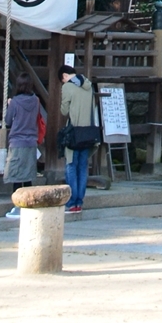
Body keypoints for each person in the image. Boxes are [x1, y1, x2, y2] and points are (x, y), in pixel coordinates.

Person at [57, 61, 97, 215]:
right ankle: (79, 202)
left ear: (65, 76)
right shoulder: (88, 85)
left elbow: (64, 110)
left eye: (62, 79)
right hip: (87, 133)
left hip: (73, 132)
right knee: (82, 167)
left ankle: (71, 202)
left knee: (71, 166)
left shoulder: (67, 86)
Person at [3, 73, 43, 219]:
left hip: (18, 140)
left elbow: (8, 121)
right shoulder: (36, 101)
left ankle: (17, 206)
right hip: (31, 141)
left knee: (16, 175)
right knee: (28, 173)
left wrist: (9, 105)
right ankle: (29, 203)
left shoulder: (14, 102)